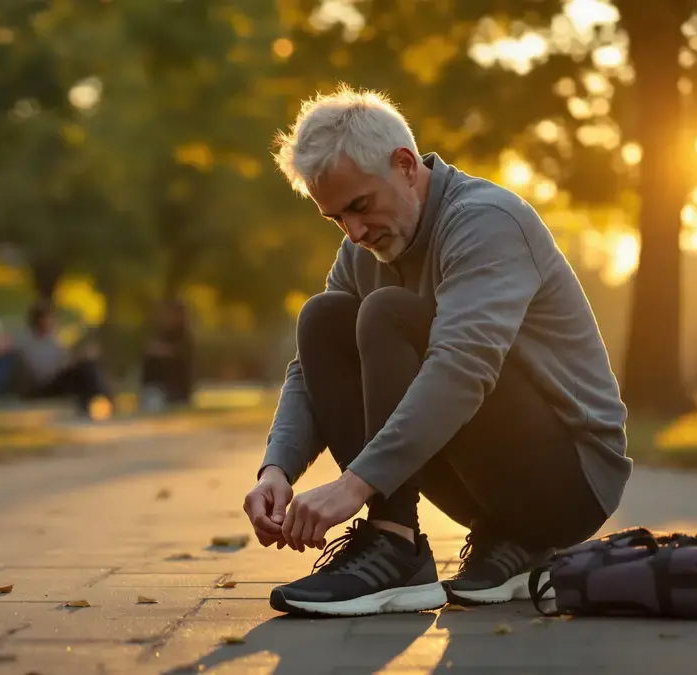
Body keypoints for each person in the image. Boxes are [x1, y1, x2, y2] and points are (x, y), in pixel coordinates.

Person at [243, 86, 631, 618]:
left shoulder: (486, 220)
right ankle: (503, 540)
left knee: (385, 313)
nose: (354, 233)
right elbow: (309, 373)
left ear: (404, 165)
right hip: (486, 488)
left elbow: (461, 369)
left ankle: (393, 542)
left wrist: (353, 487)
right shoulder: (364, 249)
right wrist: (277, 471)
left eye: (360, 206)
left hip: (571, 481)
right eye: (336, 219)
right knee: (324, 318)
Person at [16, 302, 111, 415]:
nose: (53, 322)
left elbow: (64, 361)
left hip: (54, 379)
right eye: (49, 319)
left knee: (87, 366)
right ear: (39, 320)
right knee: (85, 368)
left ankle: (94, 402)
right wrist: (67, 365)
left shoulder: (53, 340)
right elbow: (42, 371)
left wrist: (77, 359)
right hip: (41, 386)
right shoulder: (28, 342)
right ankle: (107, 399)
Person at [140, 298, 195, 409]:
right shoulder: (162, 334)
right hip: (156, 387)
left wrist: (160, 350)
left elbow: (179, 353)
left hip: (175, 389)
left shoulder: (183, 337)